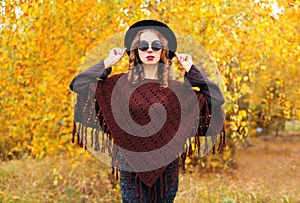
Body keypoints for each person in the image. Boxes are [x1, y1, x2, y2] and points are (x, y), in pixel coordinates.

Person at [69, 20, 225, 203]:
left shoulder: (178, 91)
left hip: (167, 170)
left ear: (163, 50)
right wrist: (107, 63)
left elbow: (215, 98)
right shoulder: (118, 85)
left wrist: (191, 69)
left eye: (156, 45)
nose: (149, 50)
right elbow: (77, 84)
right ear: (135, 50)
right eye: (143, 46)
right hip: (130, 167)